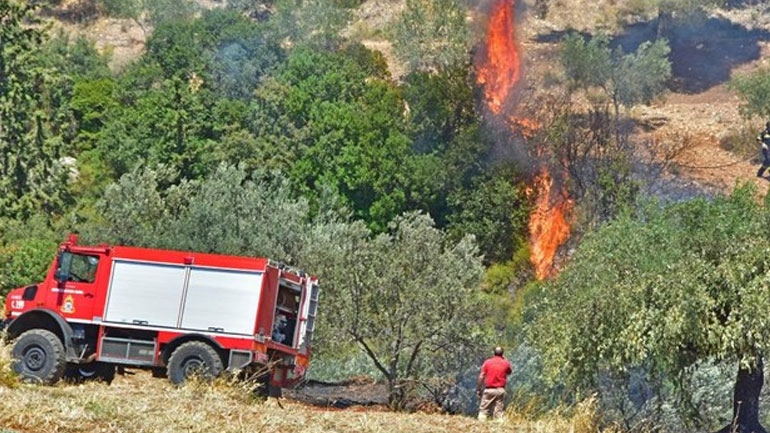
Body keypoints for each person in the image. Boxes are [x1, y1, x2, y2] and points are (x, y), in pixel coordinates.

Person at [476, 346, 512, 421]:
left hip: (489, 390)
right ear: (502, 353)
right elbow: (509, 372)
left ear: (494, 353)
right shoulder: (506, 363)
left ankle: (481, 427)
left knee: (483, 411)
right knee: (499, 413)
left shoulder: (487, 362)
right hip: (500, 391)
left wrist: (479, 389)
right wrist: (505, 361)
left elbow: (481, 376)